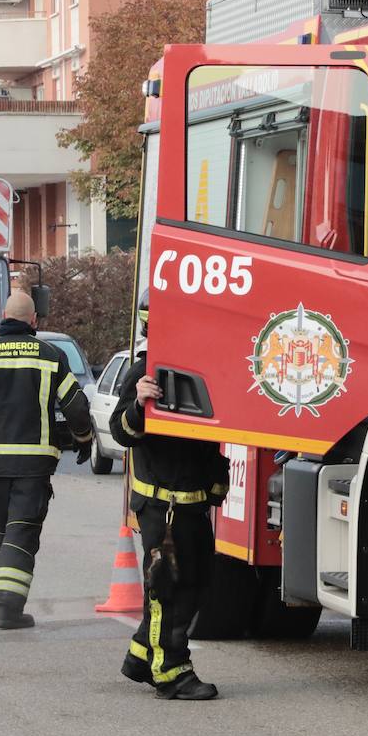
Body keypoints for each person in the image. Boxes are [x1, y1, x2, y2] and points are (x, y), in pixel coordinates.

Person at [0, 290, 94, 630]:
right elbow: (75, 405)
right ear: (33, 321)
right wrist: (84, 438)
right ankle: (8, 609)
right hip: (33, 467)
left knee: (0, 532)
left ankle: (5, 602)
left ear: (3, 317)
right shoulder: (50, 355)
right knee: (22, 534)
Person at [111, 290, 228, 700]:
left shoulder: (196, 370)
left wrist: (217, 486)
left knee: (195, 585)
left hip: (191, 508)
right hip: (163, 509)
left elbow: (210, 441)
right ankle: (172, 672)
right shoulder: (144, 372)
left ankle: (142, 657)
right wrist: (139, 405)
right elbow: (120, 431)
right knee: (169, 590)